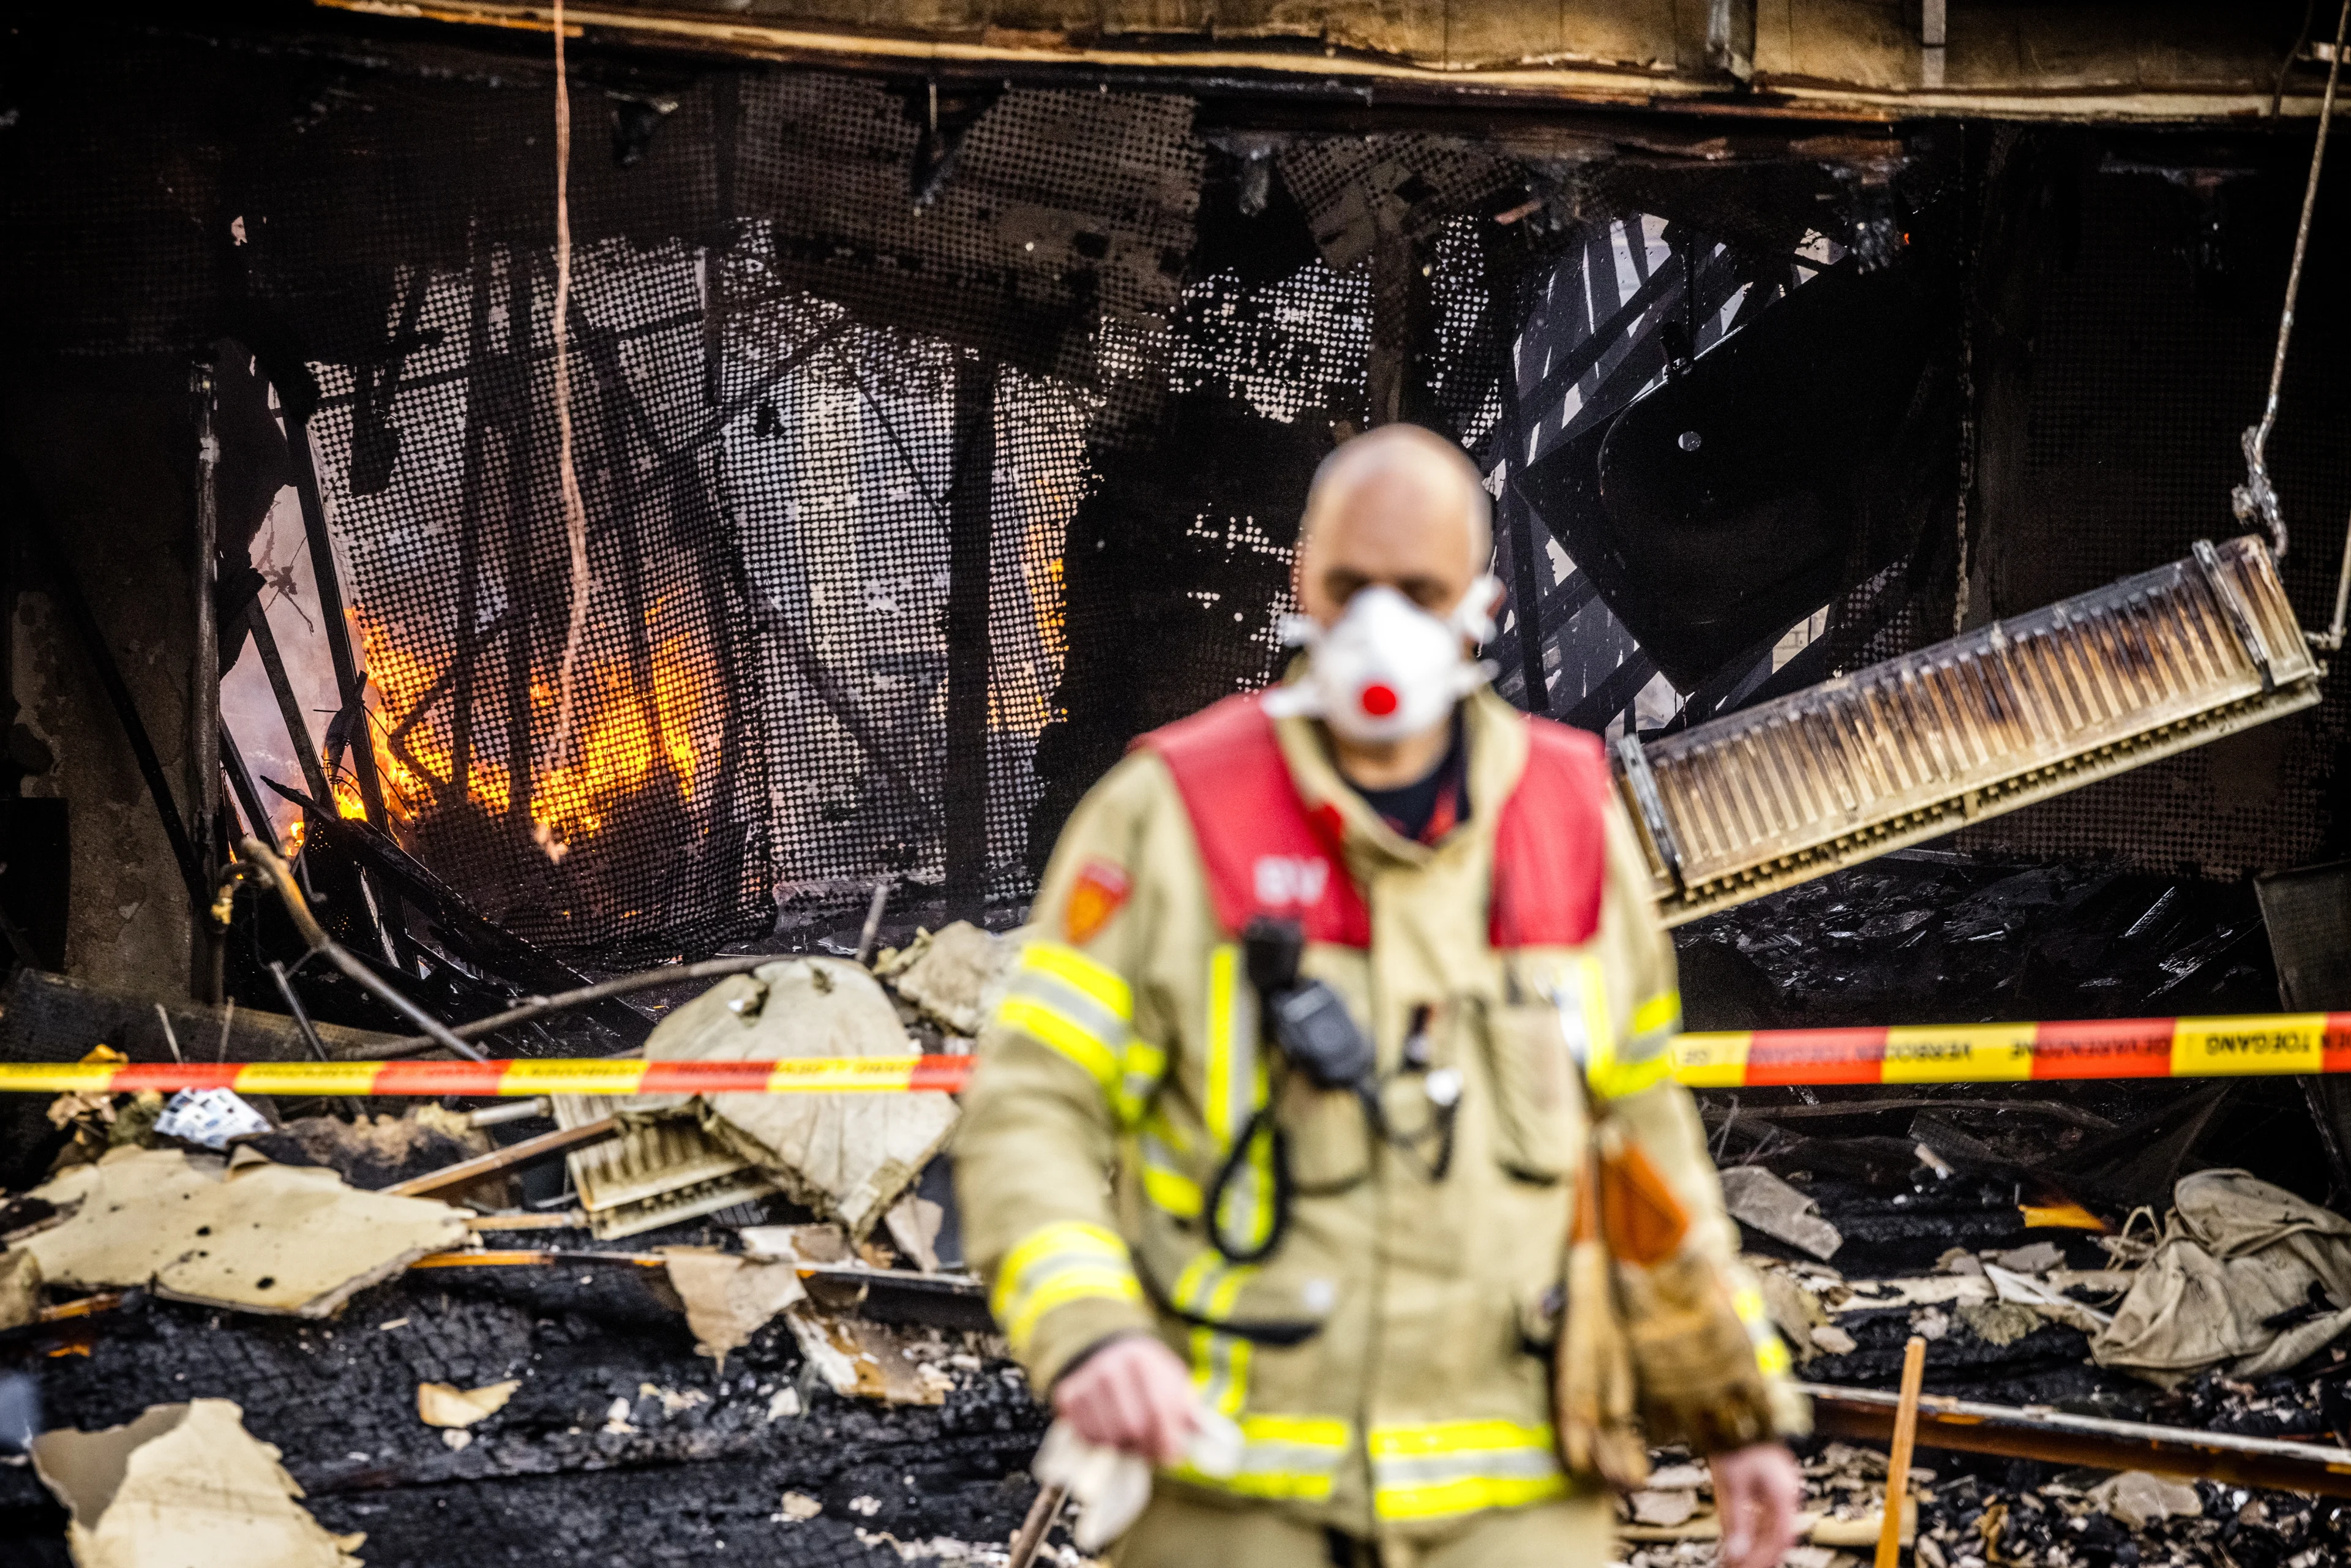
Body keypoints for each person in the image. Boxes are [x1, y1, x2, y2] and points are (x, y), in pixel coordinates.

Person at [956, 424, 1807, 1567]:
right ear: (1302, 579)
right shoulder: (1169, 815)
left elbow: (1643, 1149)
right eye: (1352, 585)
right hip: (1231, 1503)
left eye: (1418, 589)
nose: (1380, 623)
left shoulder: (1565, 821)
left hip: (1512, 1506)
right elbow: (1030, 1110)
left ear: (1482, 603)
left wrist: (1733, 1410)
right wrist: (1090, 1335)